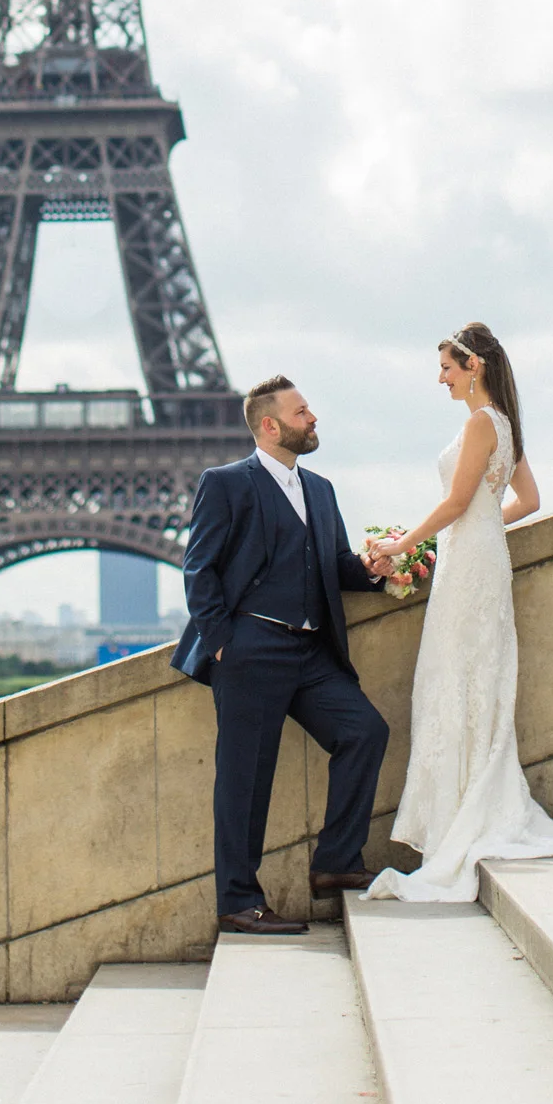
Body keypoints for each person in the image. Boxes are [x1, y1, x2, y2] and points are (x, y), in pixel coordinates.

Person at [363, 323, 553, 903]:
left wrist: (402, 546)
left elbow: (456, 502)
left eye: (446, 367)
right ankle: (474, 797)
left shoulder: (478, 423)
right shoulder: (505, 425)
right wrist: (482, 528)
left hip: (468, 565)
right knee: (475, 677)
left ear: (474, 367)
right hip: (481, 557)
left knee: (454, 677)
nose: (439, 377)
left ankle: (460, 813)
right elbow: (529, 500)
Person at [172, 375, 391, 936]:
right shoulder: (225, 483)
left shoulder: (319, 488)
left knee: (364, 731)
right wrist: (224, 640)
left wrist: (372, 571)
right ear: (270, 425)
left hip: (312, 651)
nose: (313, 417)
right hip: (252, 649)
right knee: (245, 778)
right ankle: (238, 900)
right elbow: (199, 567)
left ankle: (336, 863)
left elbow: (335, 564)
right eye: (301, 411)